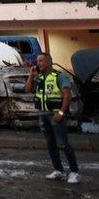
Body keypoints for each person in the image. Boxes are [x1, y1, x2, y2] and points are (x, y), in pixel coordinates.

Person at [26, 53, 81, 184]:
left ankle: (74, 172)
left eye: (41, 61)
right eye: (37, 61)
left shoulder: (59, 76)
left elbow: (67, 96)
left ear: (49, 62)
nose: (38, 63)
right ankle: (58, 170)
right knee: (50, 144)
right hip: (43, 114)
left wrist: (61, 113)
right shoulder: (39, 77)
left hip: (55, 115)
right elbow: (28, 89)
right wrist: (31, 75)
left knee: (63, 143)